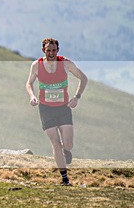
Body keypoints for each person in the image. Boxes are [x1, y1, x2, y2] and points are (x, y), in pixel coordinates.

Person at [26, 37, 88, 185]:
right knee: (55, 143)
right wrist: (32, 96)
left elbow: (83, 78)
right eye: (48, 50)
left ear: (58, 51)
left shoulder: (66, 63)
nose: (51, 53)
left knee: (68, 144)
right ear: (43, 51)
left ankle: (67, 151)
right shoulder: (36, 65)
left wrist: (76, 97)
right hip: (46, 109)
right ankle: (64, 178)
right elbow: (29, 83)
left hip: (63, 108)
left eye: (54, 50)